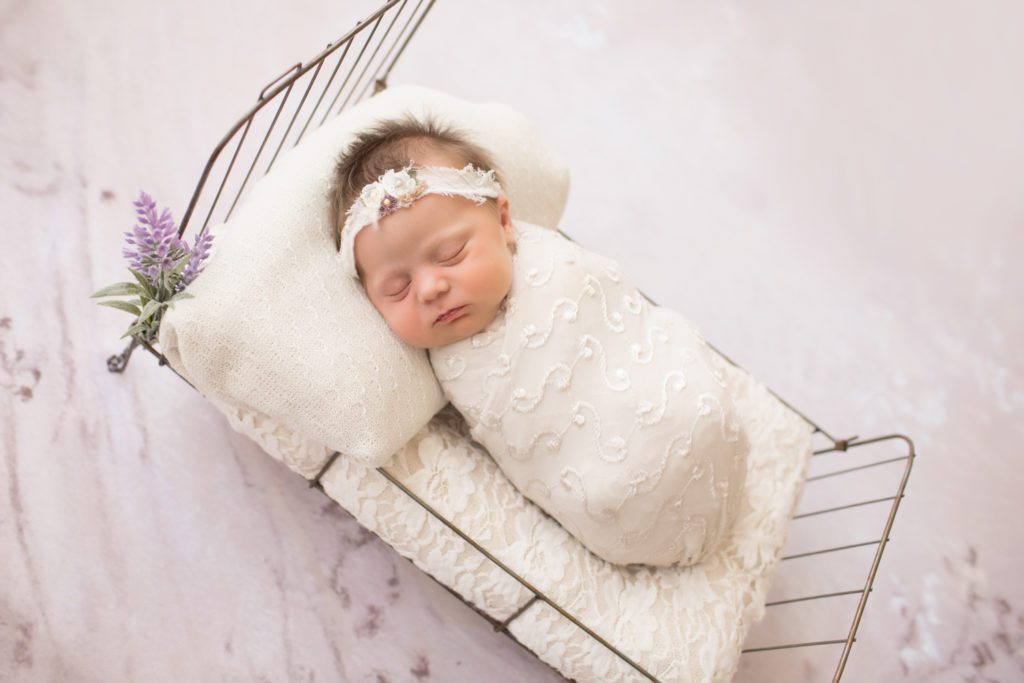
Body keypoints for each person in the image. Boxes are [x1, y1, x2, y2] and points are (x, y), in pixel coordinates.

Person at [331, 117, 749, 567]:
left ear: (505, 222)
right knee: (616, 490)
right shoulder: (452, 365)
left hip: (689, 410)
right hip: (619, 495)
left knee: (693, 412)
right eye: (396, 288)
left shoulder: (552, 262)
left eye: (450, 254)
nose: (430, 288)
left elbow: (617, 307)